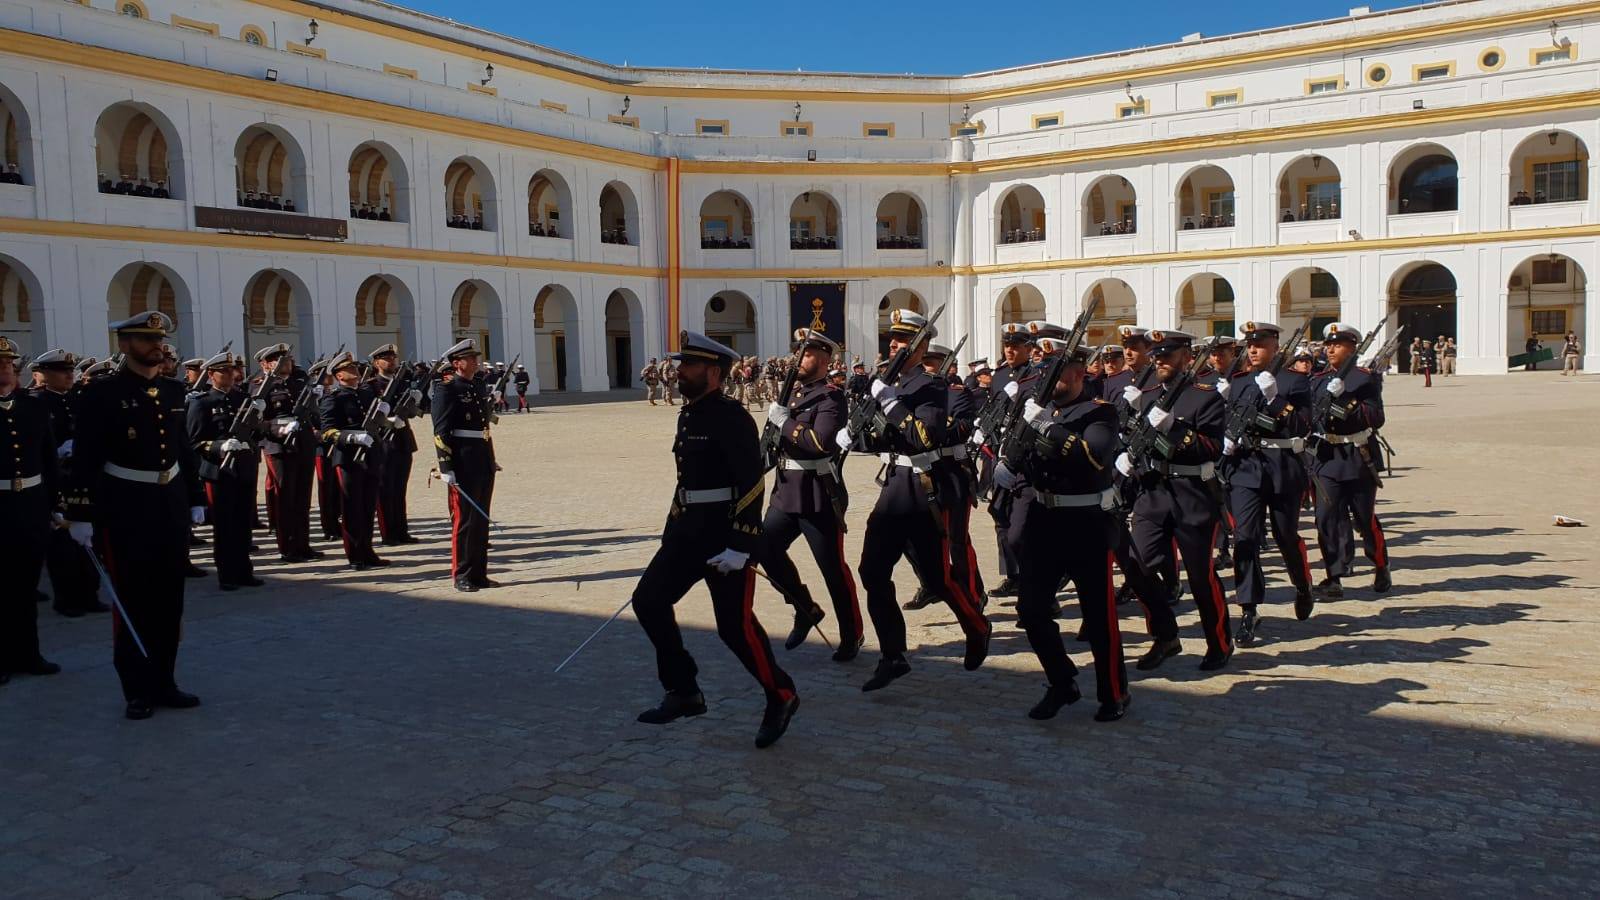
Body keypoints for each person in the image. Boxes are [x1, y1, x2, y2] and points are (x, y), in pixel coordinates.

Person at [629, 331, 798, 749]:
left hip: (725, 536)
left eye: (689, 366)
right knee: (648, 601)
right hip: (687, 534)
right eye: (681, 364)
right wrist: (672, 532)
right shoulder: (688, 415)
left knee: (734, 629)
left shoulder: (731, 416)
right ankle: (684, 690)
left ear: (714, 372)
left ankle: (781, 694)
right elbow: (686, 482)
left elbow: (752, 483)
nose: (679, 371)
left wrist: (740, 546)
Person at [836, 309, 992, 692]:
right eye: (892, 336)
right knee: (872, 571)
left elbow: (925, 437)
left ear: (921, 346)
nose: (894, 342)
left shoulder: (932, 387)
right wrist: (855, 434)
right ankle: (892, 654)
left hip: (925, 490)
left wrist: (890, 404)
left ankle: (976, 626)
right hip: (894, 488)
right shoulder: (886, 381)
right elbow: (880, 438)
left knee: (939, 577)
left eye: (903, 338)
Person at [63, 312, 207, 719]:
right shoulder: (100, 394)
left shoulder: (174, 391)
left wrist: (195, 495)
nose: (157, 346)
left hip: (170, 503)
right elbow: (86, 457)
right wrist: (79, 513)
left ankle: (165, 680)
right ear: (125, 345)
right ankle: (136, 688)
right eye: (147, 340)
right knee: (133, 600)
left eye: (159, 339)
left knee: (169, 600)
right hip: (126, 505)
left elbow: (183, 449)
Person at [993, 340, 1129, 720]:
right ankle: (1062, 680)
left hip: (1086, 523)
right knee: (1032, 610)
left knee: (1099, 617)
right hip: (1044, 521)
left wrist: (1046, 427)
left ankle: (1113, 693)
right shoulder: (1038, 408)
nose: (1048, 378)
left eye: (1057, 371)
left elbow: (1091, 456)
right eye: (1044, 370)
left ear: (1078, 373)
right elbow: (1020, 455)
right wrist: (1010, 462)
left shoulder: (1100, 413)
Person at [759, 328, 862, 660]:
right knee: (765, 550)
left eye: (805, 352)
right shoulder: (793, 395)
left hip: (818, 496)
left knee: (833, 570)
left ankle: (852, 634)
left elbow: (820, 444)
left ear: (825, 358)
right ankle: (804, 607)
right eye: (796, 352)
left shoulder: (832, 398)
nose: (798, 358)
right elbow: (774, 447)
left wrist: (786, 423)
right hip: (785, 494)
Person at [1220, 322, 1315, 645]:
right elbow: (1230, 421)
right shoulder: (1239, 383)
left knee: (1285, 535)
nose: (1253, 350)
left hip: (1283, 468)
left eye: (1260, 344)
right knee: (1245, 538)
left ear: (1276, 345)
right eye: (1250, 345)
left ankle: (1302, 584)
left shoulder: (1295, 382)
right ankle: (1249, 608)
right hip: (1246, 468)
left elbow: (1302, 426)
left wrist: (1275, 399)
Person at [1308, 323, 1392, 600]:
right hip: (1327, 457)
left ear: (1352, 348)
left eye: (1338, 344)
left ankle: (1380, 563)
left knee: (1364, 519)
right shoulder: (1319, 378)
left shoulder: (1365, 378)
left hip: (1357, 456)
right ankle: (1333, 576)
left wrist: (1345, 398)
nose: (1330, 349)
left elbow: (1375, 417)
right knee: (1325, 519)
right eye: (1328, 344)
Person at [0, 337, 62, 686]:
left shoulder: (33, 407)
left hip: (31, 504)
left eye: (8, 363)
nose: (5, 368)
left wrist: (54, 503)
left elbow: (49, 458)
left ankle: (29, 653)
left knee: (26, 585)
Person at [186, 351, 265, 590]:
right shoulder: (202, 403)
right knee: (225, 525)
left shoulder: (242, 398)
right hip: (219, 472)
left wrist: (258, 419)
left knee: (243, 523)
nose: (232, 375)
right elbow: (194, 442)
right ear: (211, 375)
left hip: (245, 467)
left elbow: (257, 434)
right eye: (225, 371)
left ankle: (244, 571)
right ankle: (227, 574)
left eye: (232, 371)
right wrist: (220, 446)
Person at [432, 340, 498, 592]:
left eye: (475, 358)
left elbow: (483, 428)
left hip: (481, 458)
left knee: (481, 520)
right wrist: (445, 466)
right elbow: (440, 430)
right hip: (462, 461)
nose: (475, 361)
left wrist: (490, 457)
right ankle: (462, 574)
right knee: (465, 521)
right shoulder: (447, 389)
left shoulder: (477, 385)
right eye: (470, 358)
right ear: (456, 363)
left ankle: (479, 573)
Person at [319, 352, 389, 570]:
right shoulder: (333, 398)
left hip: (370, 455)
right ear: (339, 375)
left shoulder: (365, 394)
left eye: (355, 368)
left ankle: (368, 551)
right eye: (350, 369)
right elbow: (327, 431)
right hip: (348, 458)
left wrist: (385, 419)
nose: (355, 371)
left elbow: (374, 420)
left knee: (368, 507)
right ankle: (355, 555)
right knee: (351, 508)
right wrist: (351, 437)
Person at [255, 345, 321, 563]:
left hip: (303, 443)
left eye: (288, 359)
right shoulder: (258, 387)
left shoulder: (298, 383)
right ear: (265, 364)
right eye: (278, 359)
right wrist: (278, 426)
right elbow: (256, 422)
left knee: (302, 497)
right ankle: (288, 547)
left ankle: (303, 544)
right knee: (285, 497)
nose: (286, 363)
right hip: (279, 446)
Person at [369, 345, 421, 546]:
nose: (392, 361)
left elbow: (412, 410)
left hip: (402, 440)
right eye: (386, 358)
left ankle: (401, 530)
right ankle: (388, 532)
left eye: (393, 357)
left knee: (400, 488)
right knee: (385, 489)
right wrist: (388, 421)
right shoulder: (371, 386)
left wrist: (415, 402)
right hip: (384, 440)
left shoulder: (401, 384)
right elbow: (371, 415)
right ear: (376, 363)